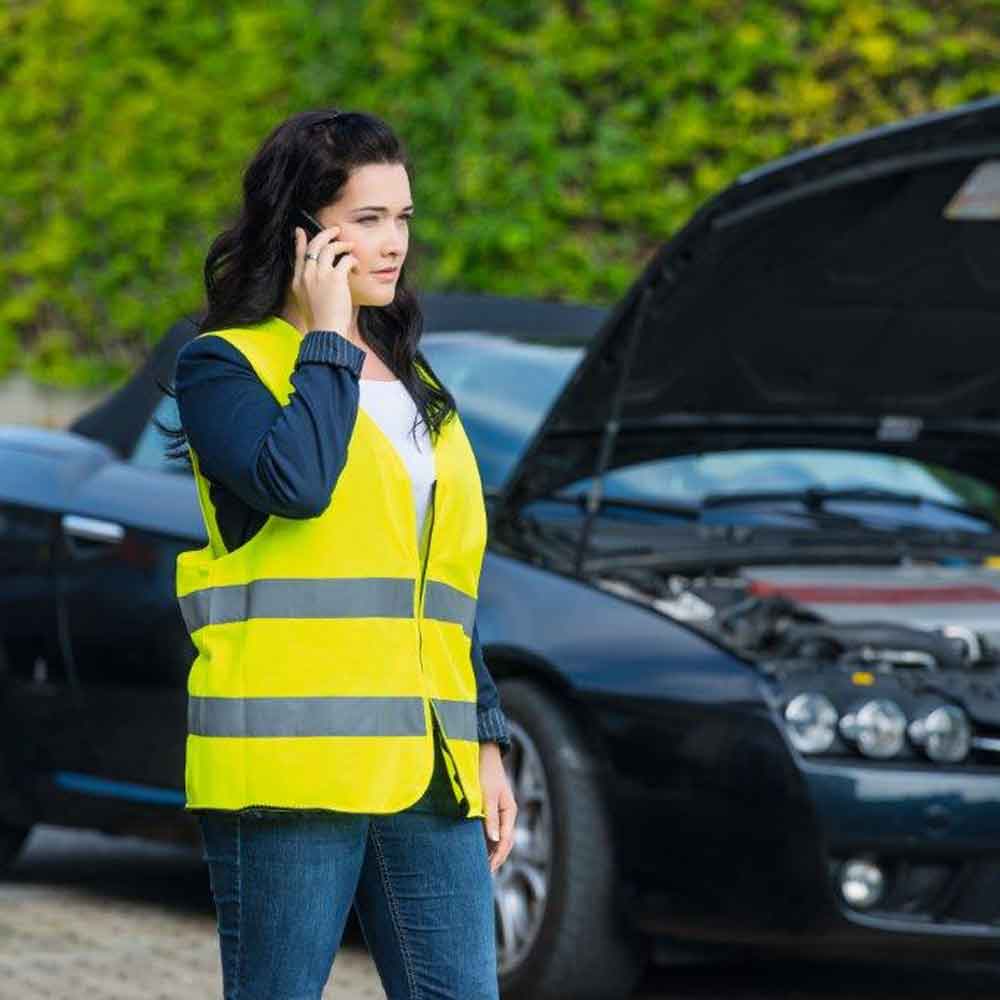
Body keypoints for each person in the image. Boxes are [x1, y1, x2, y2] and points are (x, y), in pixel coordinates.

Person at [161, 107, 517, 1000]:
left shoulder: (416, 382)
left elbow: (443, 582)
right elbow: (297, 484)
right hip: (291, 774)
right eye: (367, 219)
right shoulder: (223, 368)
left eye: (402, 218)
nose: (394, 243)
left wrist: (485, 738)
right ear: (305, 234)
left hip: (427, 770)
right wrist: (327, 337)